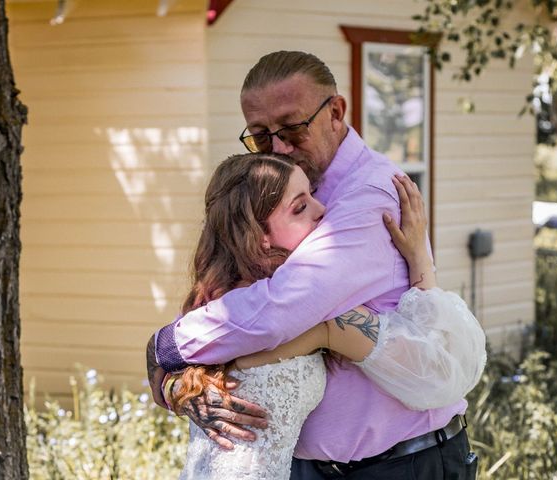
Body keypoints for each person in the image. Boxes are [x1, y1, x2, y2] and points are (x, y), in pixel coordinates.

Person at [148, 51, 480, 479]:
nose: (280, 147)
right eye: (261, 135)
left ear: (336, 112)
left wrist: (166, 349)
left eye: (292, 128)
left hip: (400, 464)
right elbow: (231, 285)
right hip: (304, 467)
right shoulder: (274, 187)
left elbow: (289, 303)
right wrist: (175, 382)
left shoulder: (372, 194)